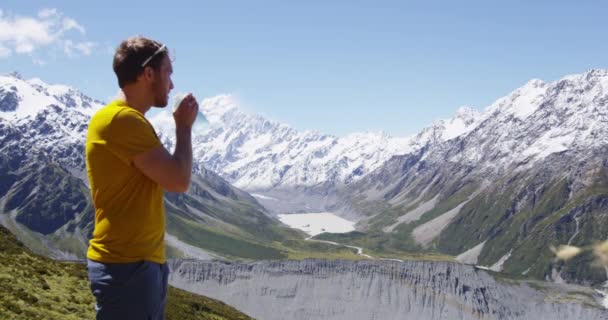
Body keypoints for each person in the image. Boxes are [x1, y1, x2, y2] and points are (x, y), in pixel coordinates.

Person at [85, 36, 198, 319]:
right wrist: (183, 128)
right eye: (167, 73)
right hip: (128, 266)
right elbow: (178, 181)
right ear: (148, 74)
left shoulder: (126, 120)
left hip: (137, 264)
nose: (171, 84)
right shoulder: (123, 120)